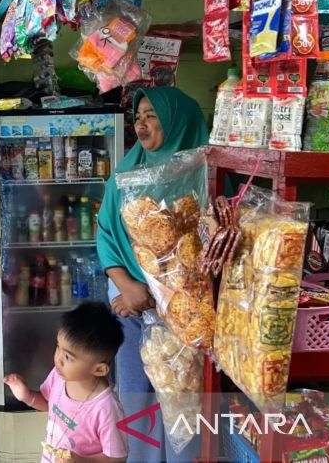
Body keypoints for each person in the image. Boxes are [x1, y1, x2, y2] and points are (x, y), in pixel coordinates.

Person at [96, 87, 209, 463]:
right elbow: (106, 234)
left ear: (178, 120)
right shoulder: (127, 172)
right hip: (133, 306)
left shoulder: (206, 172)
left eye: (152, 116)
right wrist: (128, 287)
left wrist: (173, 298)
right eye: (138, 117)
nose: (141, 124)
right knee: (137, 399)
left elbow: (213, 245)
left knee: (184, 407)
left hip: (187, 314)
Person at [3, 301, 129, 463]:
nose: (58, 359)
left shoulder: (106, 409)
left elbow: (117, 458)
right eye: (58, 347)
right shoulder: (60, 376)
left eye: (68, 357)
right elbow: (53, 408)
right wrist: (27, 396)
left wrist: (81, 460)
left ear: (99, 369)